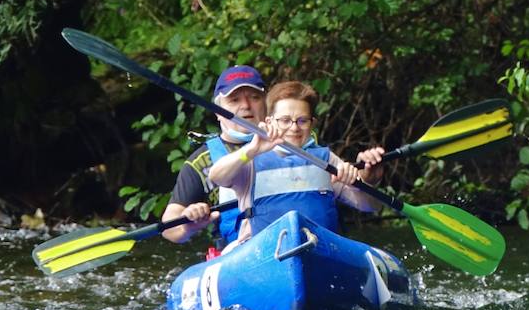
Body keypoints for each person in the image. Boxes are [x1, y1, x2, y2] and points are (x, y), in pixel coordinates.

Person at [205, 80, 386, 241]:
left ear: (312, 123)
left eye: (302, 120)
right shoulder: (250, 160)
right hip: (265, 254)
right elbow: (217, 176)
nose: (294, 128)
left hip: (321, 249)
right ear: (270, 122)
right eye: (285, 120)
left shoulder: (325, 160)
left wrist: (361, 183)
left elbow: (371, 206)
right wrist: (251, 150)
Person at [160, 65, 268, 252]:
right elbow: (169, 229)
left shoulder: (293, 143)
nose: (246, 106)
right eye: (234, 100)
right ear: (218, 112)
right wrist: (189, 223)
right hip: (237, 253)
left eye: (254, 97)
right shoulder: (201, 161)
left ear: (267, 104)